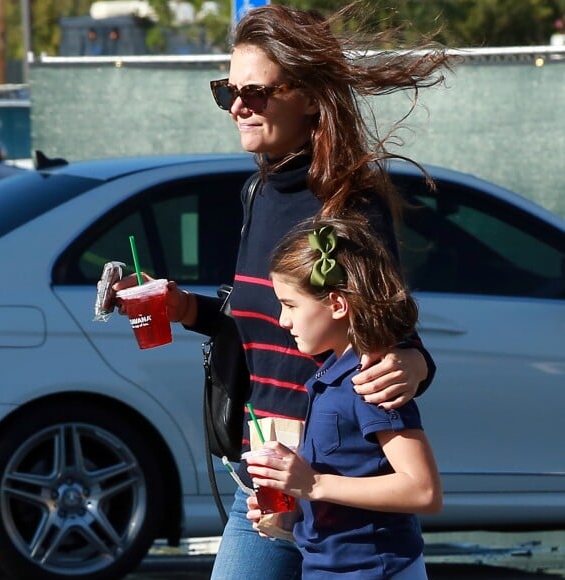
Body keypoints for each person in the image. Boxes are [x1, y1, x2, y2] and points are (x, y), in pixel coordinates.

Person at [113, 3, 452, 578]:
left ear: (311, 97)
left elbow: (380, 323)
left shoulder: (348, 203)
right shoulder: (258, 191)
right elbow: (259, 318)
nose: (238, 107)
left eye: (257, 93)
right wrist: (186, 308)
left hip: (328, 479)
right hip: (264, 473)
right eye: (227, 92)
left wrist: (414, 362)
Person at [245, 213, 442, 579]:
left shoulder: (371, 382)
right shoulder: (329, 377)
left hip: (377, 570)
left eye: (290, 305)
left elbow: (423, 491)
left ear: (337, 304)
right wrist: (291, 507)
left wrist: (313, 484)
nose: (283, 321)